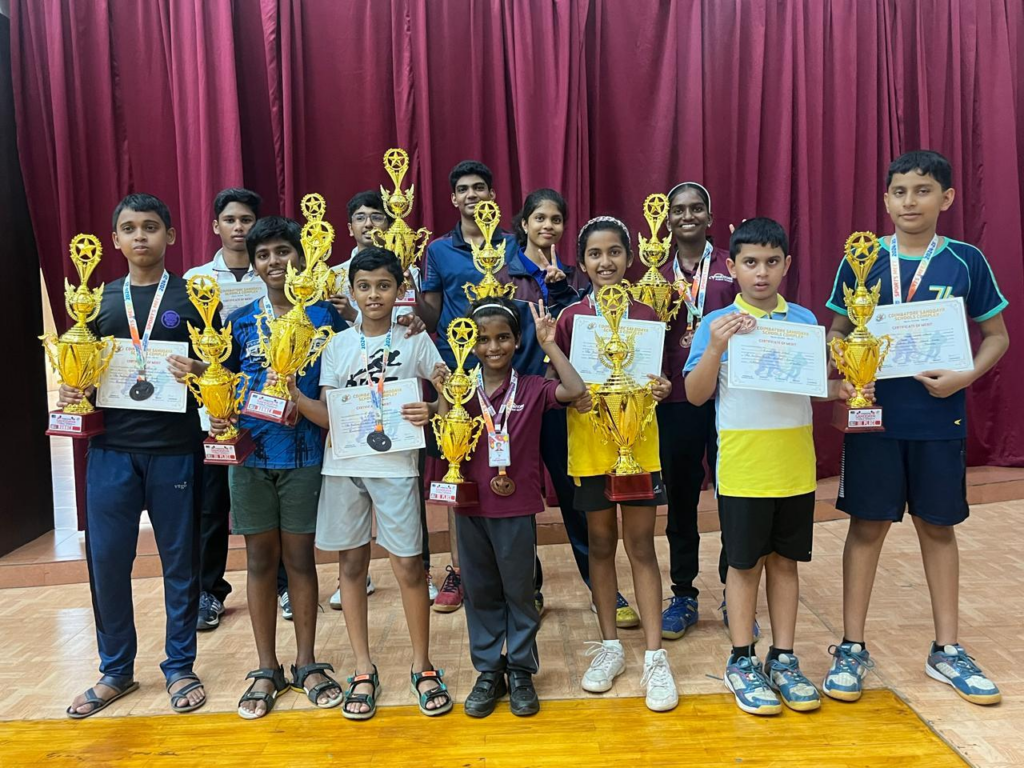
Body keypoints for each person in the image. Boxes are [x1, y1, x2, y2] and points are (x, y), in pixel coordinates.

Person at [823, 150, 1008, 706]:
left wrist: (964, 377)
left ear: (946, 198)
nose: (910, 201)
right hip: (874, 418)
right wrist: (847, 372)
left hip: (938, 418)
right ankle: (851, 646)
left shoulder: (966, 261)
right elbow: (837, 331)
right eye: (900, 191)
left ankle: (946, 648)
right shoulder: (861, 258)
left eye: (923, 190)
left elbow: (997, 336)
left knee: (938, 527)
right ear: (886, 200)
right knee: (867, 526)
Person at [686, 217, 858, 715]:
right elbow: (695, 394)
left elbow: (812, 387)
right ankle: (741, 659)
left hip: (794, 468)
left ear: (786, 265)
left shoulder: (803, 321)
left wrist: (843, 388)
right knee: (744, 566)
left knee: (786, 563)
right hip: (743, 468)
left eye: (771, 262)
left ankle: (783, 657)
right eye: (750, 262)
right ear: (733, 266)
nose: (761, 273)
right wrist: (716, 347)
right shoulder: (716, 323)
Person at [287, 247, 452, 720]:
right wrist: (293, 395)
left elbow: (450, 394)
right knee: (351, 566)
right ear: (352, 291)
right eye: (364, 286)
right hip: (343, 466)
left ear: (399, 290)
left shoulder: (415, 339)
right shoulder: (337, 346)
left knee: (408, 566)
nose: (374, 294)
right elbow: (327, 414)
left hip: (396, 466)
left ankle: (422, 665)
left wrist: (433, 409)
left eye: (383, 285)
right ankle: (363, 668)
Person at [63, 193, 209, 717]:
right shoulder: (96, 302)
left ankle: (180, 666)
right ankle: (115, 670)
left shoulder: (195, 299)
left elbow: (222, 369)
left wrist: (202, 370)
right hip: (110, 451)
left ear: (171, 235)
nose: (141, 235)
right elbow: (80, 369)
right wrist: (73, 388)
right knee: (106, 563)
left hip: (174, 450)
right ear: (115, 240)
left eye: (151, 226)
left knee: (180, 564)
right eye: (130, 228)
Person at [216, 216, 348, 719]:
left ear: (301, 256)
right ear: (253, 264)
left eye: (283, 251)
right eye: (264, 254)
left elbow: (347, 374)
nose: (275, 261)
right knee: (258, 561)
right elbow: (223, 383)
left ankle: (307, 662)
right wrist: (219, 408)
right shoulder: (238, 321)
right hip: (250, 456)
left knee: (300, 561)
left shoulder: (325, 319)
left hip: (305, 456)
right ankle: (265, 667)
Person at [554, 216, 679, 712]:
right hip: (591, 448)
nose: (605, 262)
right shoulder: (570, 319)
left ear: (630, 258)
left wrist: (664, 386)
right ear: (582, 262)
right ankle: (610, 646)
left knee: (642, 546)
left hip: (639, 446)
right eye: (594, 254)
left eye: (614, 252)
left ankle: (654, 657)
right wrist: (570, 393)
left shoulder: (647, 313)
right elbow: (557, 382)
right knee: (601, 544)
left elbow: (659, 375)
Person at [507, 189, 639, 626]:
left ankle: (602, 590)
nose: (547, 225)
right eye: (539, 217)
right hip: (513, 404)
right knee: (518, 498)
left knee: (576, 498)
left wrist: (562, 291)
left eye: (556, 219)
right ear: (524, 224)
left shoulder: (577, 282)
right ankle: (527, 589)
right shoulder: (501, 275)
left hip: (563, 405)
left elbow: (581, 339)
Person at [451, 296, 587, 718]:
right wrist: (440, 393)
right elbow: (442, 429)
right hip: (470, 503)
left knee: (520, 591)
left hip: (515, 505)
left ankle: (522, 669)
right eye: (483, 339)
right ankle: (489, 670)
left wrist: (549, 344)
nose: (493, 347)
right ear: (470, 343)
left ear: (516, 340)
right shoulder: (460, 389)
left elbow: (575, 390)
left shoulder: (531, 387)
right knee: (479, 591)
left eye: (503, 338)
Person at [419, 160, 519, 613]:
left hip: (507, 369)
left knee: (507, 464)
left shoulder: (513, 244)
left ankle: (518, 567)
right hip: (457, 374)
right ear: (453, 199)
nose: (472, 195)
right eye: (464, 189)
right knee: (455, 464)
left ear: (492, 195)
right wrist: (407, 303)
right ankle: (460, 569)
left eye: (480, 187)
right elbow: (431, 312)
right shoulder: (439, 251)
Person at [655, 181, 746, 641]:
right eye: (678, 210)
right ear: (667, 219)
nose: (686, 216)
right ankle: (683, 592)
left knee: (733, 494)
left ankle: (735, 591)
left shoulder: (733, 265)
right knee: (681, 497)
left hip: (731, 396)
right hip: (675, 398)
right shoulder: (653, 273)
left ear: (710, 217)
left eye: (696, 209)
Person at [184, 187, 264, 632]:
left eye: (246, 220)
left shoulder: (274, 273)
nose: (238, 227)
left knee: (272, 503)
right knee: (211, 507)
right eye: (230, 220)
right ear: (215, 225)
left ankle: (283, 585)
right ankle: (209, 592)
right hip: (213, 414)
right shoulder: (196, 279)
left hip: (265, 412)